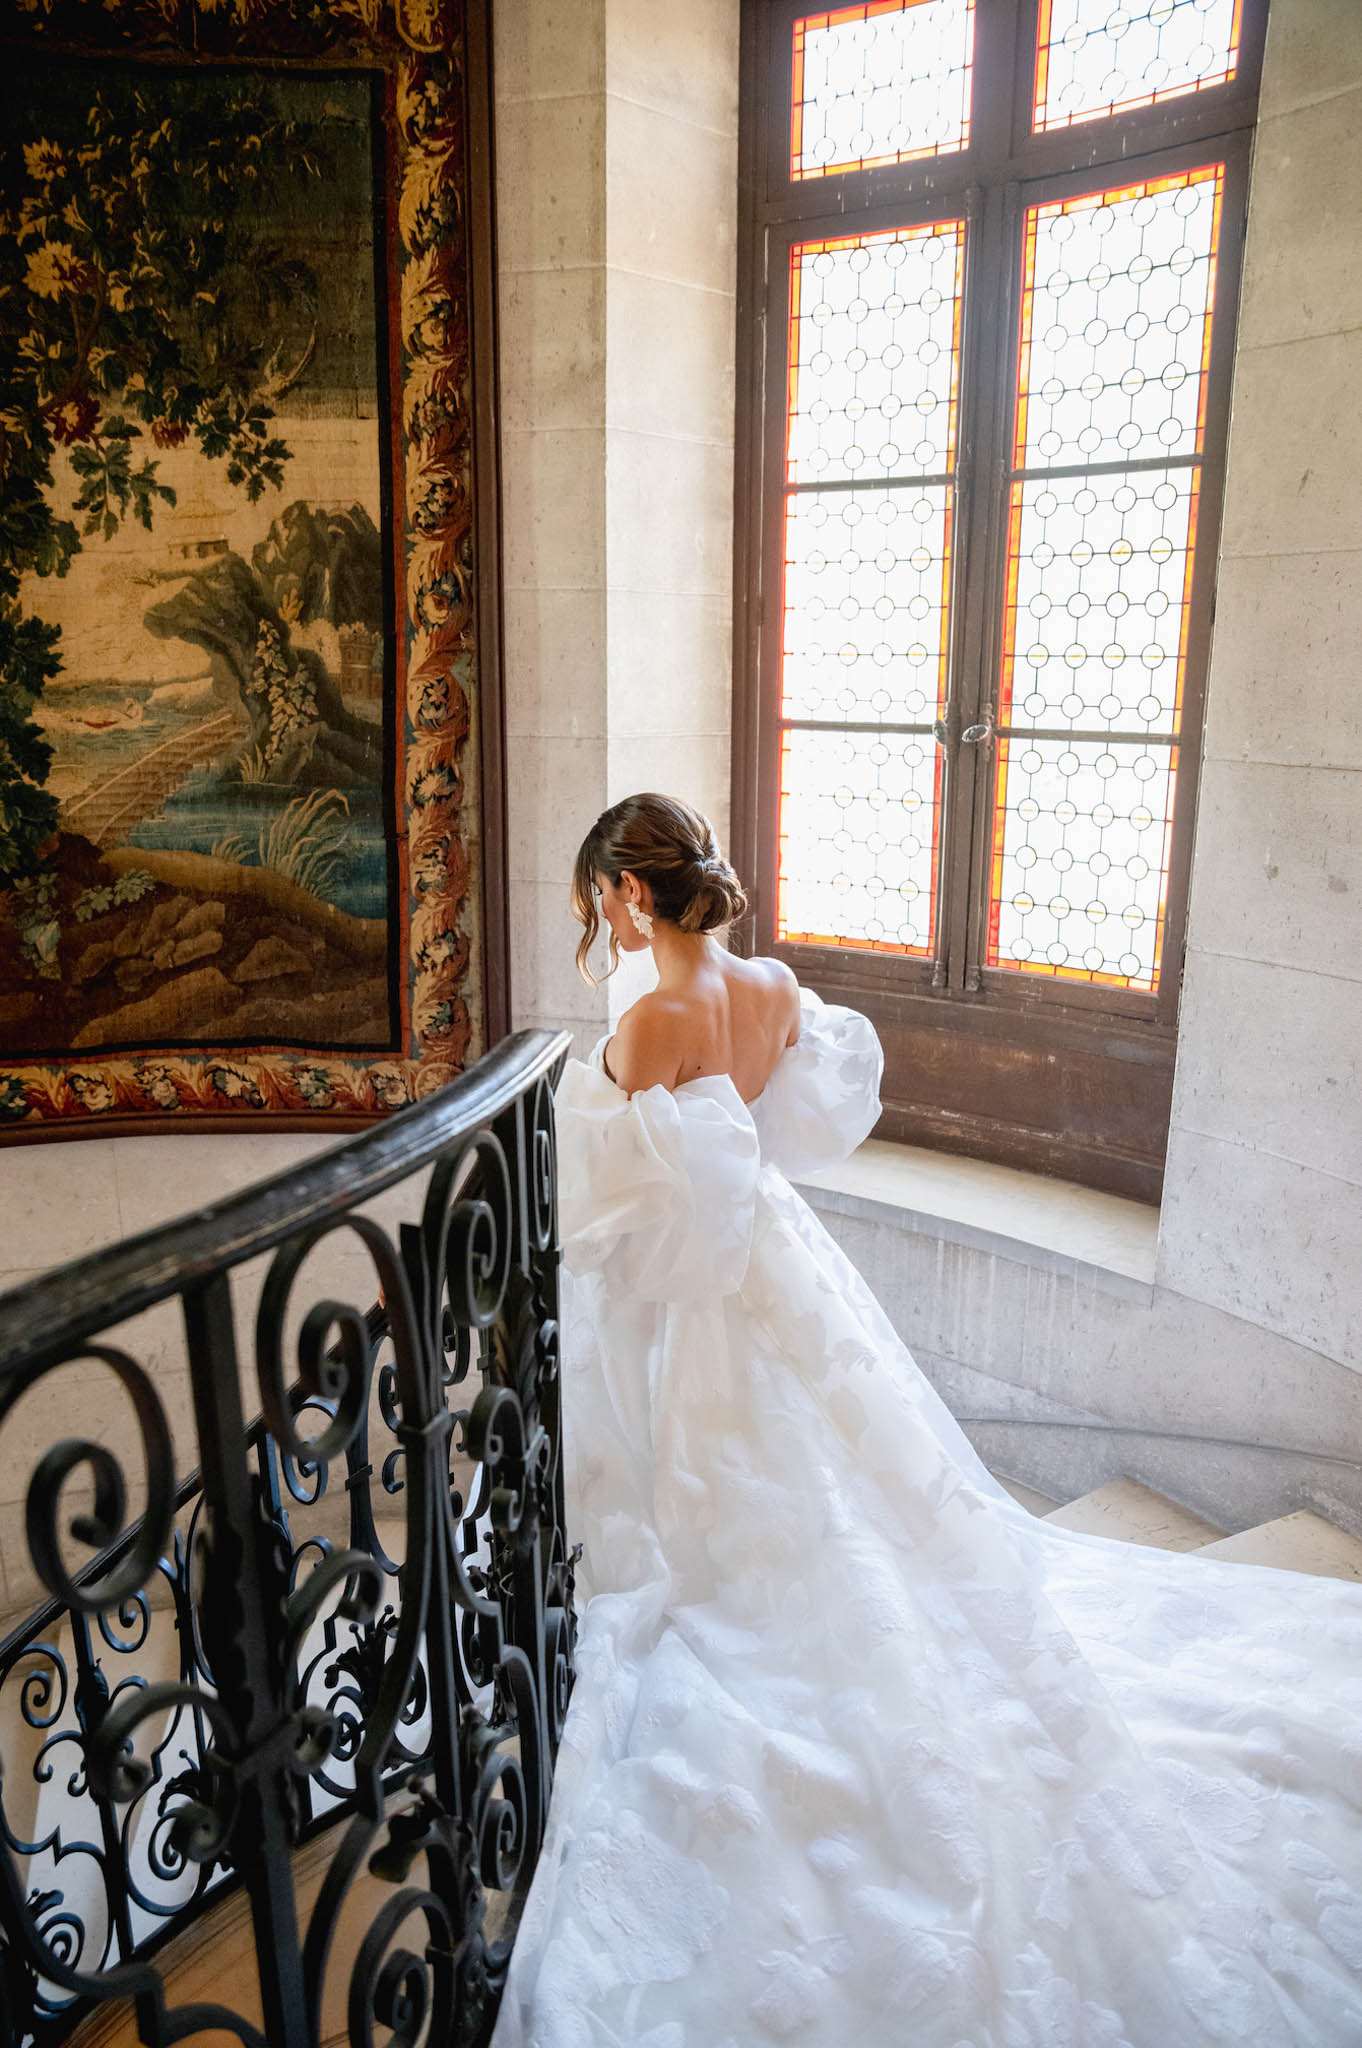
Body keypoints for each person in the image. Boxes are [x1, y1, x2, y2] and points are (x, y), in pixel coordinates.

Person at [490, 791, 1362, 2047]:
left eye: (602, 904)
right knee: (854, 1477)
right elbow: (784, 1132)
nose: (607, 927)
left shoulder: (658, 1016)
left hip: (696, 1300)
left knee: (722, 1498)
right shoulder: (775, 987)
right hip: (786, 1270)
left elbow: (591, 1193)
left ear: (629, 895)